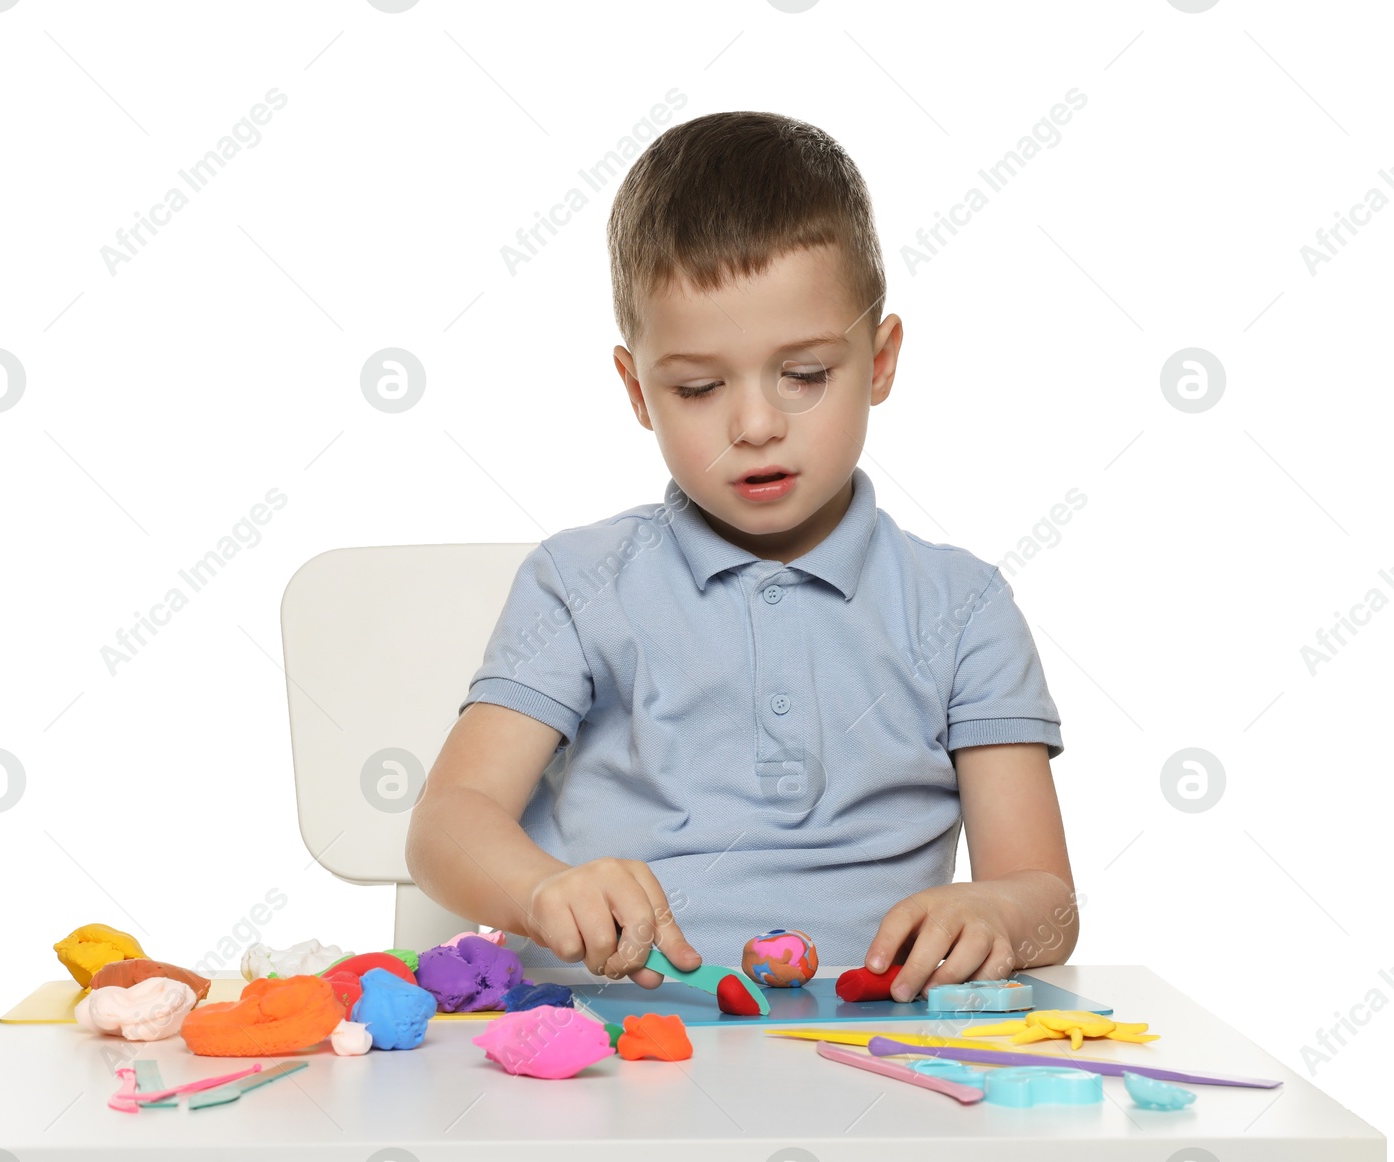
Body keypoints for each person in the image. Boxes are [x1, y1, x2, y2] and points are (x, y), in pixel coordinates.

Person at [406, 111, 1078, 1002]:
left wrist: (994, 913)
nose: (755, 425)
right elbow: (448, 825)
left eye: (804, 375)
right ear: (636, 391)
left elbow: (1049, 900)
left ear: (879, 362)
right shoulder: (578, 585)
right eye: (697, 387)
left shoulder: (964, 607)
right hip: (616, 1045)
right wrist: (540, 891)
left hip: (870, 1055)